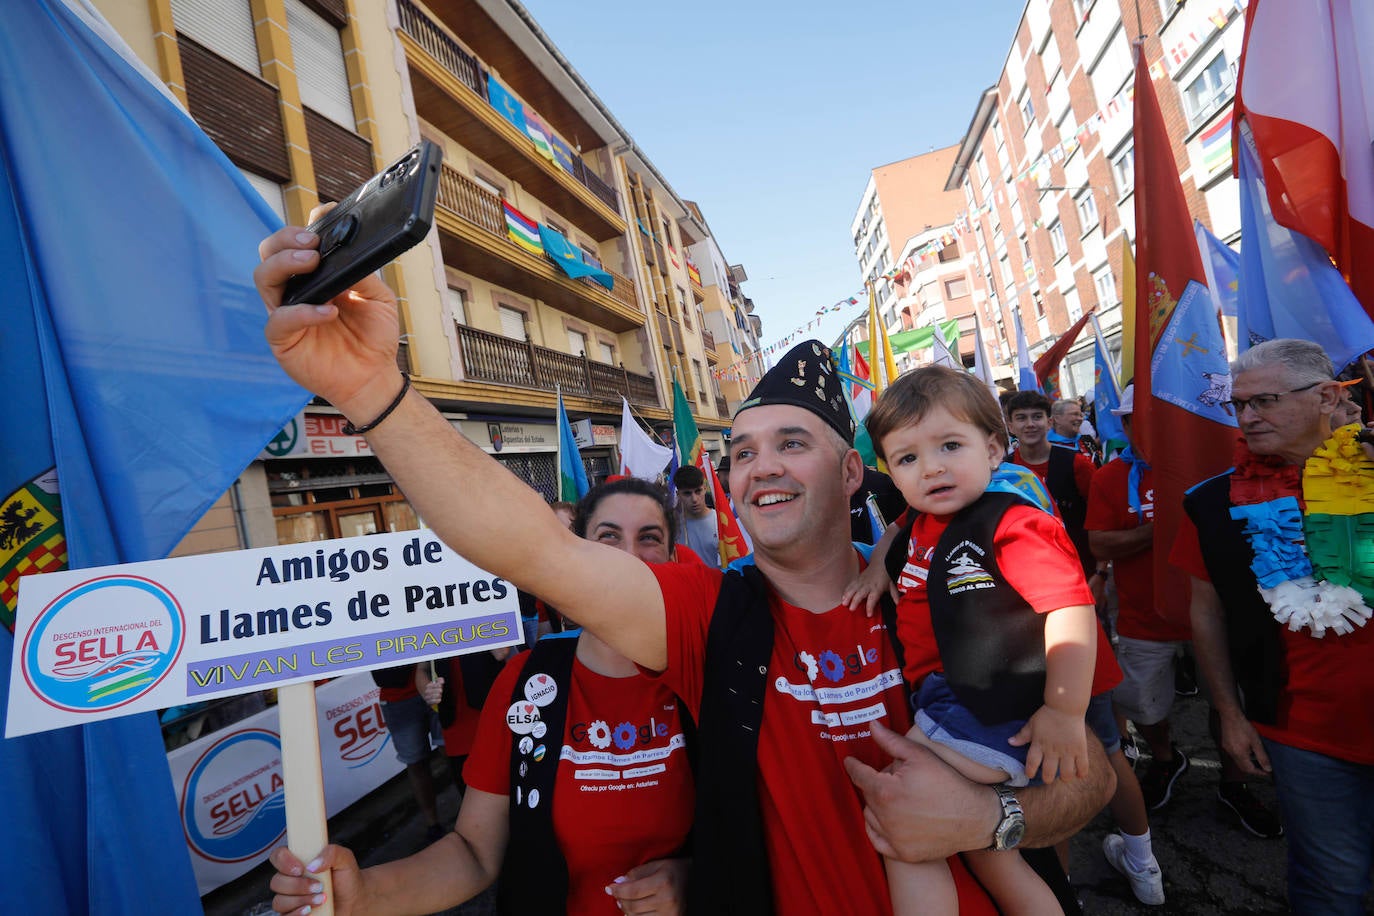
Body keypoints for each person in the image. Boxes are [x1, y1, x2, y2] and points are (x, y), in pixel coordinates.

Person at [254, 227, 1115, 914]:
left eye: (791, 444)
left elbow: (1095, 782)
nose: (760, 467)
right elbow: (535, 548)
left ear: (855, 473)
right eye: (740, 452)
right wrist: (371, 390)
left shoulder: (960, 576)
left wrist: (985, 818)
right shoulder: (708, 615)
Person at [269, 478, 695, 915]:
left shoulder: (708, 670)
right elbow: (474, 851)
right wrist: (365, 893)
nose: (626, 557)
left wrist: (697, 878)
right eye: (607, 536)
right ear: (577, 555)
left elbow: (759, 824)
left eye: (649, 538)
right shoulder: (526, 683)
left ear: (673, 557)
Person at [845, 366, 1110, 914]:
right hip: (956, 700)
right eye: (908, 458)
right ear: (890, 473)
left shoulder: (1011, 521)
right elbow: (897, 527)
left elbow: (1070, 607)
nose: (933, 468)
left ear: (993, 450)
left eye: (949, 445)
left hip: (982, 706)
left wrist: (1064, 711)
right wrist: (876, 564)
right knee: (993, 857)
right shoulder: (924, 523)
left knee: (903, 824)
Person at [1171, 338, 1374, 915]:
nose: (1248, 417)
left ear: (1328, 397)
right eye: (1239, 405)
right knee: (1332, 886)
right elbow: (1204, 612)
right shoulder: (1212, 502)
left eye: (1265, 401)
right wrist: (1230, 716)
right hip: (1302, 730)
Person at [670, 464, 718, 566]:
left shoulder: (720, 522)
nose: (694, 499)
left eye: (698, 491)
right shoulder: (673, 527)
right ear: (678, 495)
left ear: (705, 489)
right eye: (687, 493)